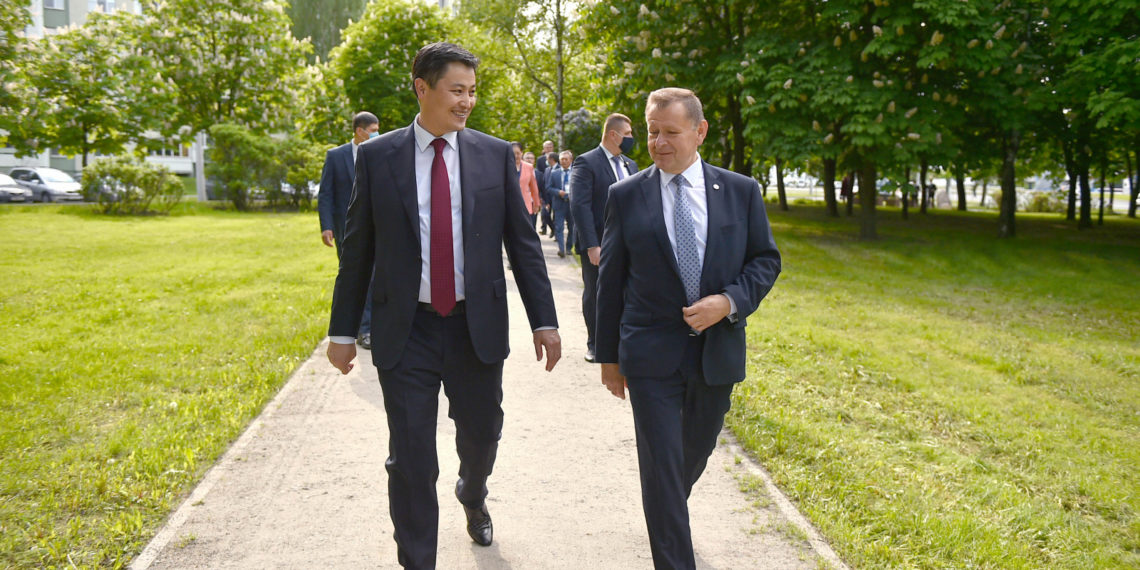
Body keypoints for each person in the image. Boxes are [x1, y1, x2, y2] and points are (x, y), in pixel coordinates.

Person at [326, 42, 562, 570]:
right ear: (422, 88)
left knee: (482, 434)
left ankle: (473, 491)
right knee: (410, 457)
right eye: (457, 90)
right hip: (406, 328)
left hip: (474, 328)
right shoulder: (378, 157)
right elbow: (358, 250)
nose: (467, 102)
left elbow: (523, 245)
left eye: (472, 91)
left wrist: (544, 321)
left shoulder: (494, 154)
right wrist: (342, 333)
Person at [595, 87, 781, 569]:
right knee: (661, 467)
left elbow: (765, 260)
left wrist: (728, 301)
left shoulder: (740, 191)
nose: (658, 143)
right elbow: (609, 282)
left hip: (715, 354)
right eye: (652, 132)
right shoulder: (626, 195)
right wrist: (608, 358)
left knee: (686, 461)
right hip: (649, 356)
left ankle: (666, 511)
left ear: (699, 132)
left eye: (670, 133)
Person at [569, 113, 639, 363]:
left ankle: (622, 341)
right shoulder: (586, 162)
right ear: (613, 134)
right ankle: (595, 344)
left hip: (629, 243)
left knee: (627, 292)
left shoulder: (631, 165)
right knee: (596, 293)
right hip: (599, 243)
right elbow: (580, 205)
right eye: (628, 134)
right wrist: (592, 245)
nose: (631, 138)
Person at [318, 111, 380, 348]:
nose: (376, 135)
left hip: (375, 226)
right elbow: (326, 194)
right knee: (353, 277)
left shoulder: (379, 153)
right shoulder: (336, 156)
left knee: (374, 277)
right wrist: (326, 226)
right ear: (359, 131)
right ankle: (358, 328)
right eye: (373, 131)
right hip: (346, 229)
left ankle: (368, 328)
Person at [545, 150, 575, 258]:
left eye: (566, 159)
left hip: (572, 204)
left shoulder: (576, 172)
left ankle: (568, 248)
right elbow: (548, 188)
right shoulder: (554, 173)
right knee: (559, 227)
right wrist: (558, 192)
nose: (564, 161)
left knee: (572, 227)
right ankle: (561, 249)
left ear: (571, 160)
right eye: (562, 159)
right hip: (559, 204)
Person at [512, 142, 542, 225]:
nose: (516, 156)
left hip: (525, 203)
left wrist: (536, 203)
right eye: (513, 153)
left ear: (522, 153)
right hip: (510, 203)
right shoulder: (506, 166)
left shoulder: (528, 167)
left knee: (526, 227)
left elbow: (533, 187)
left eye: (518, 153)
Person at [535, 141, 555, 235]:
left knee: (554, 211)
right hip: (544, 188)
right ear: (544, 148)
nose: (548, 148)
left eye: (550, 147)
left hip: (554, 188)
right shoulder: (540, 159)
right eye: (547, 147)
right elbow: (538, 173)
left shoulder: (557, 157)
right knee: (544, 212)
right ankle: (544, 228)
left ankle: (554, 230)